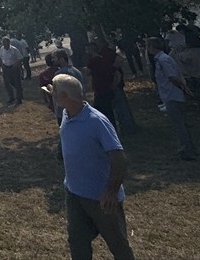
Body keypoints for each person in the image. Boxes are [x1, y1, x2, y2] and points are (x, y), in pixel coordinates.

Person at [52, 74, 135, 260]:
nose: (52, 95)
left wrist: (111, 191)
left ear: (65, 96)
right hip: (73, 193)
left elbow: (119, 158)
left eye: (55, 92)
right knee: (77, 241)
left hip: (101, 198)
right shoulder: (67, 114)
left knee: (118, 245)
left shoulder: (96, 121)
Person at [148, 37, 197, 161]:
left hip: (173, 95)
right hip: (169, 95)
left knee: (179, 125)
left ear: (153, 47)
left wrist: (183, 88)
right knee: (180, 124)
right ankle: (188, 148)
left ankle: (187, 150)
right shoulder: (161, 59)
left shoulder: (163, 60)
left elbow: (172, 77)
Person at [84, 42, 118, 127]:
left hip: (99, 90)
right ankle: (113, 128)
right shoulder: (104, 59)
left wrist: (85, 69)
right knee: (109, 111)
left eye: (87, 50)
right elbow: (115, 73)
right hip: (108, 88)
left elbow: (88, 73)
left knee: (98, 112)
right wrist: (114, 84)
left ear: (91, 50)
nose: (86, 52)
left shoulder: (92, 61)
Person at [0, 36, 24, 105]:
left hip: (14, 68)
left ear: (9, 43)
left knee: (17, 82)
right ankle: (11, 97)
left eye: (6, 43)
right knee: (7, 83)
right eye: (3, 43)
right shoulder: (2, 49)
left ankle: (19, 98)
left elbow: (20, 58)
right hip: (5, 68)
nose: (4, 44)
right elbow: (0, 58)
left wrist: (16, 64)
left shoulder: (14, 49)